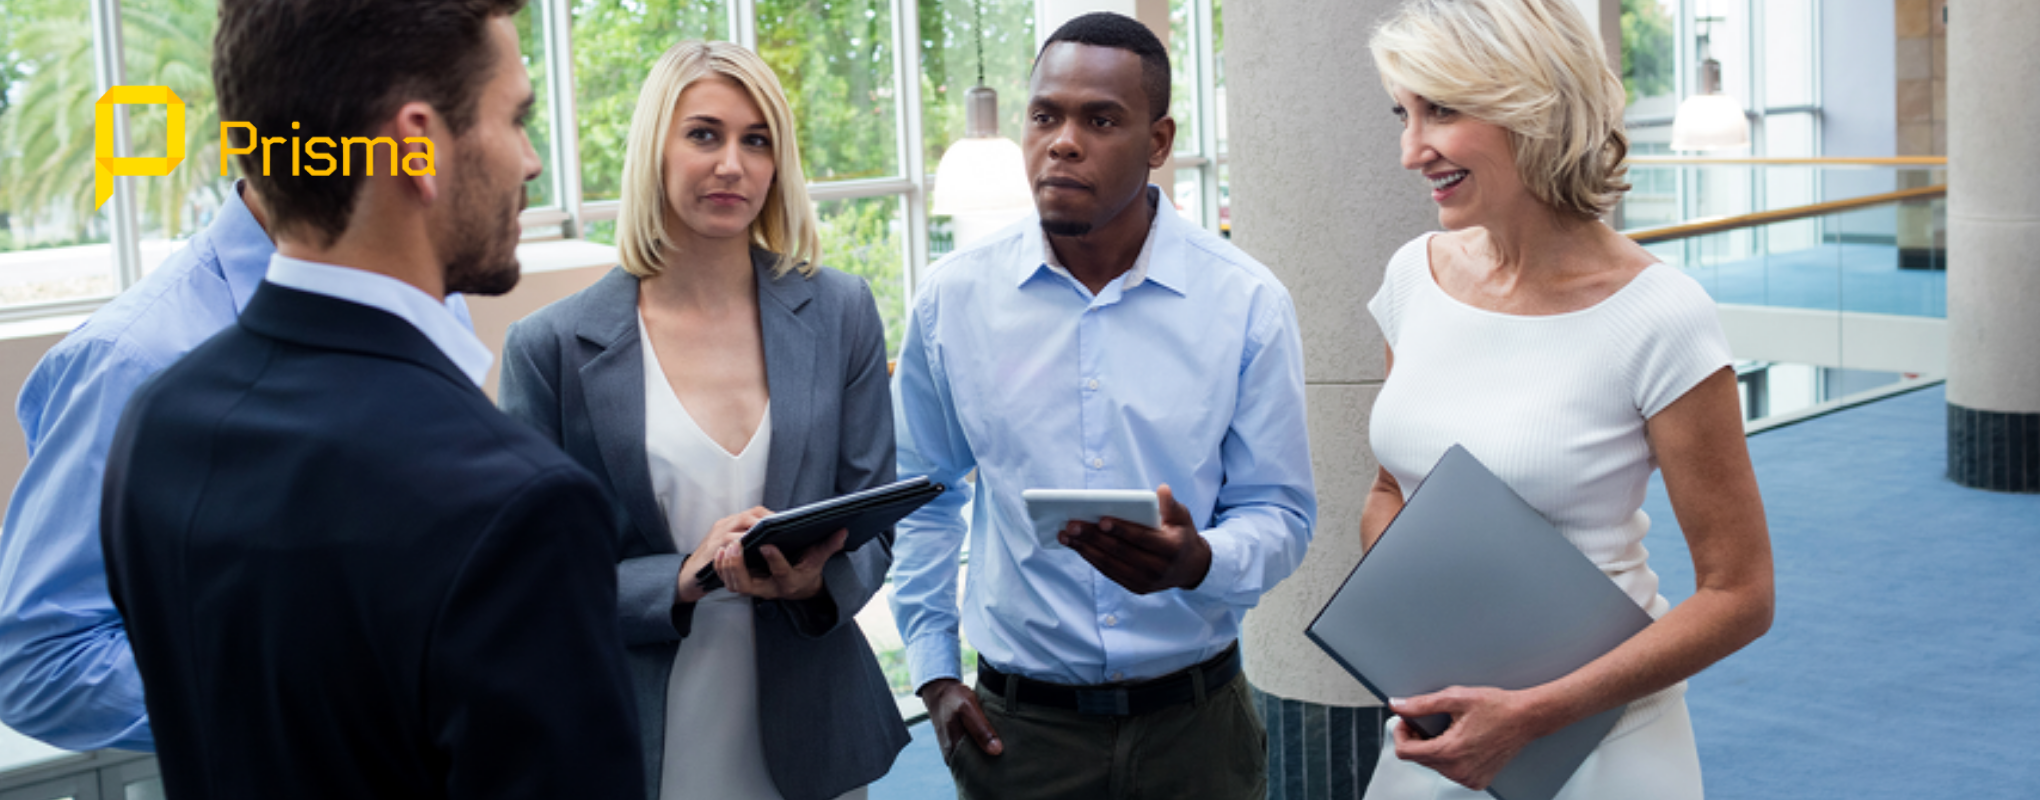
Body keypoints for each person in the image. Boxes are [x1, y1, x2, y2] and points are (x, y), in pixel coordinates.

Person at [98, 1, 642, 797]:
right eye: (515, 117)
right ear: (419, 145)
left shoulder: (158, 423)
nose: (530, 160)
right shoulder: (517, 505)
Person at [889, 12, 1316, 800]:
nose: (1062, 141)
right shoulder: (955, 301)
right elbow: (922, 496)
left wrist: (1200, 562)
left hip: (1197, 735)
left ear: (1158, 143)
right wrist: (935, 674)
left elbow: (1281, 513)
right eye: (1045, 115)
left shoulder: (1246, 303)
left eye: (1100, 119)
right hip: (1019, 738)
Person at [1358, 1, 1775, 798]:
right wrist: (1421, 636)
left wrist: (1535, 714)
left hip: (1602, 736)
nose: (1412, 150)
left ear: (1533, 107)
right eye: (1403, 113)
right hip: (1447, 720)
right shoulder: (1414, 275)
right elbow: (1388, 491)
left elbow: (1741, 594)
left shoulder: (1660, 315)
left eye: (1441, 110)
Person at [498, 40, 906, 800]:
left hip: (813, 737)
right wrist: (679, 579)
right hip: (638, 738)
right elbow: (528, 579)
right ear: (655, 147)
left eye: (757, 141)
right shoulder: (549, 348)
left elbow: (876, 519)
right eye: (704, 134)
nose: (733, 165)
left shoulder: (842, 311)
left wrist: (817, 580)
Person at [0, 188, 487, 753]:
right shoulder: (130, 358)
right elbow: (42, 660)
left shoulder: (432, 302)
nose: (528, 159)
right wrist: (322, 697)